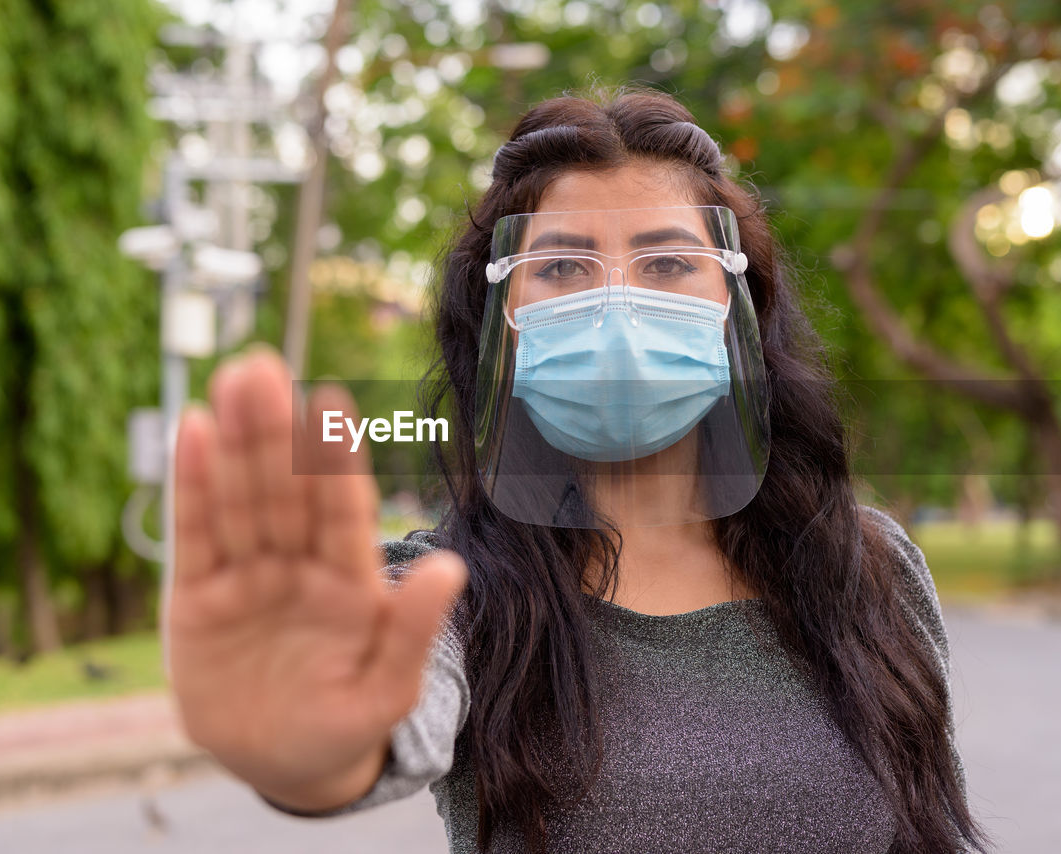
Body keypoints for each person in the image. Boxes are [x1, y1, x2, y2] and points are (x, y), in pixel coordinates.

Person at [165, 89, 988, 853]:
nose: (618, 309)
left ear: (742, 310)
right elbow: (373, 720)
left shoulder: (866, 562)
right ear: (500, 326)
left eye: (667, 264)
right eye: (560, 268)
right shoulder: (449, 594)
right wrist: (311, 741)